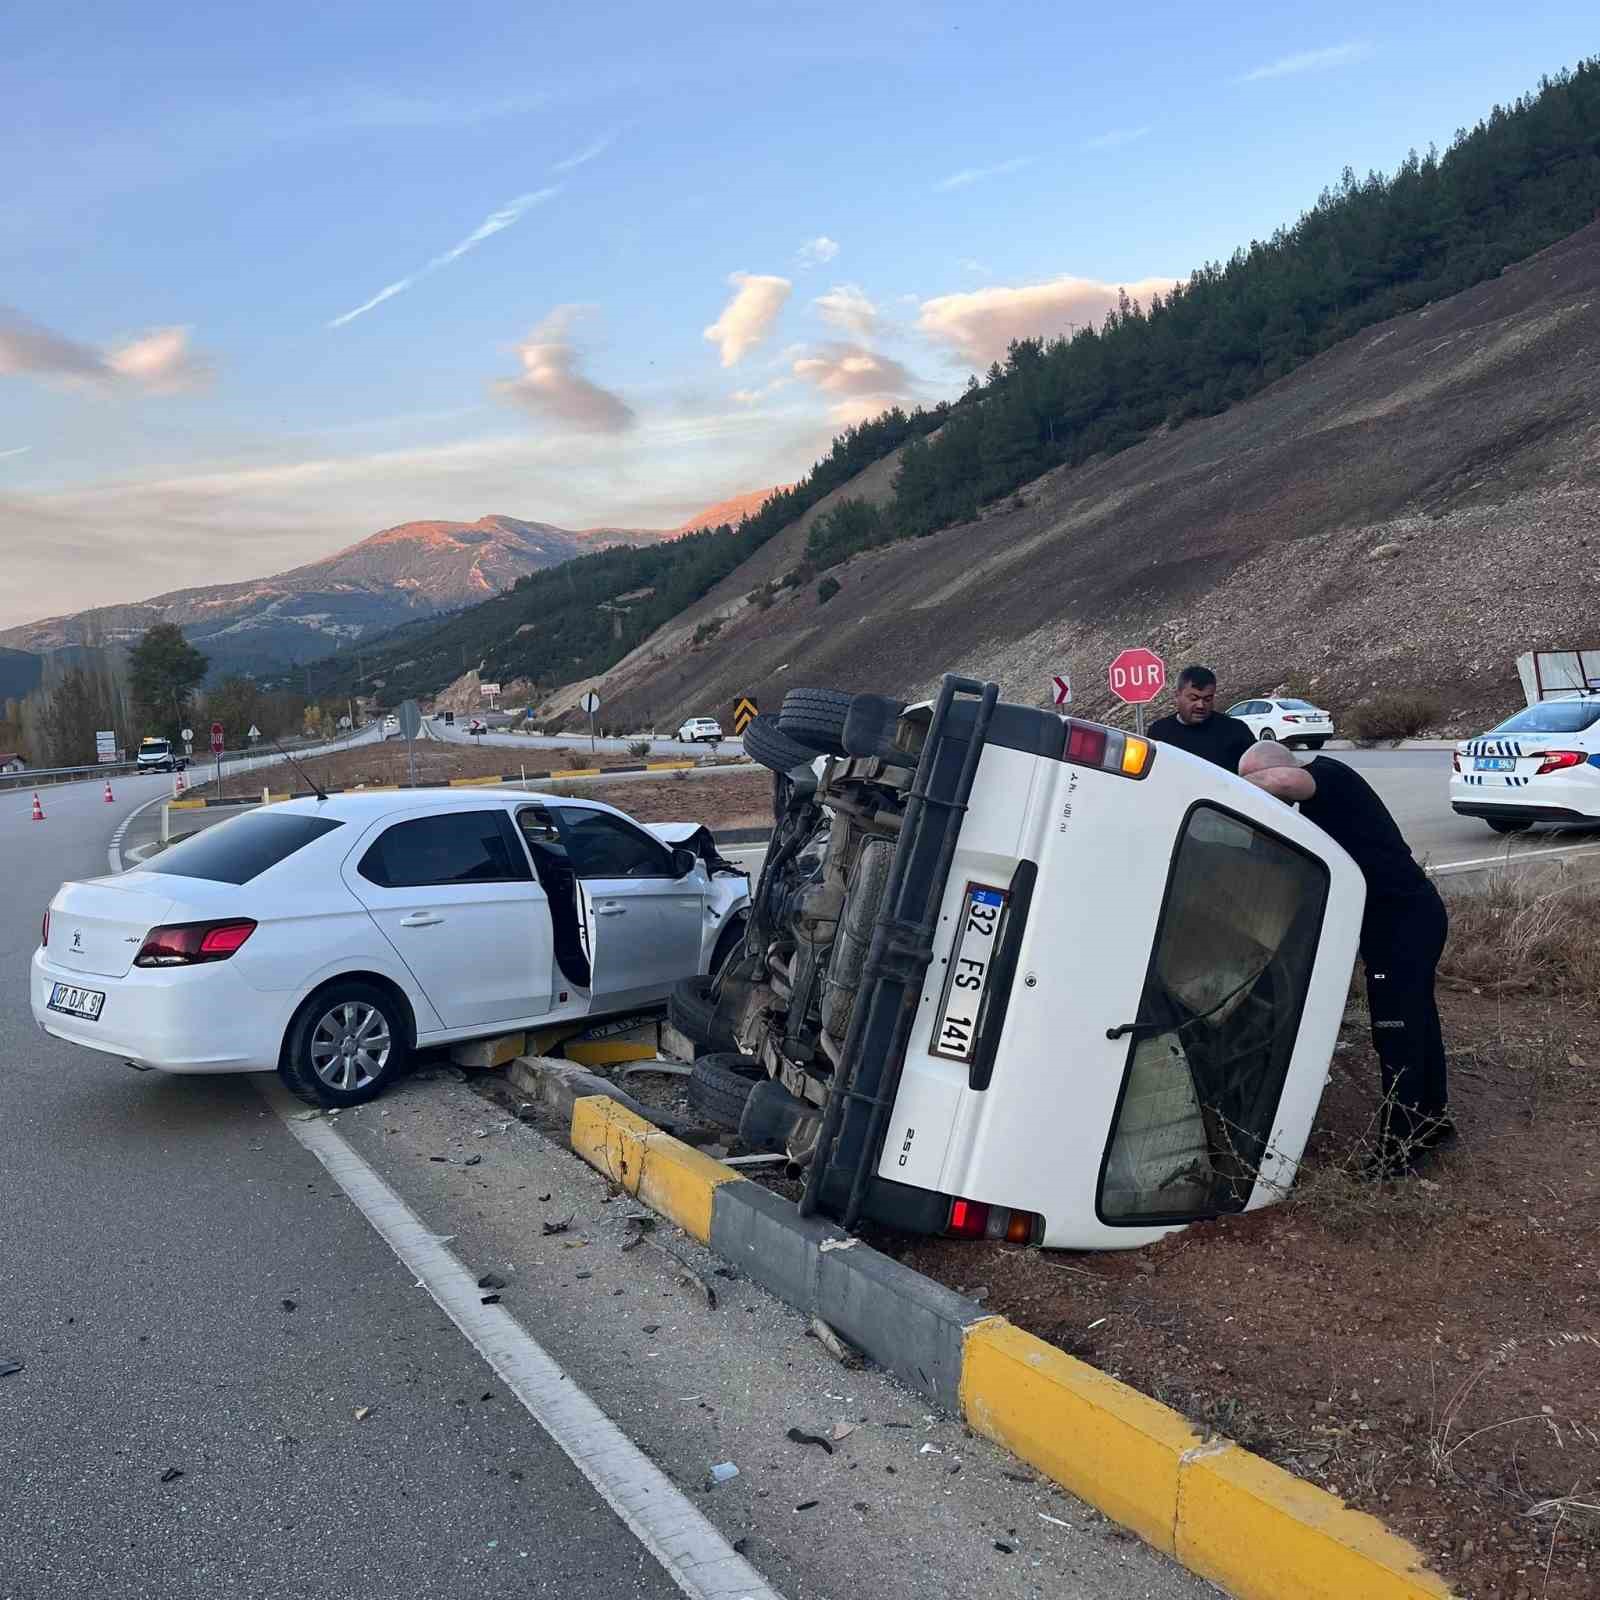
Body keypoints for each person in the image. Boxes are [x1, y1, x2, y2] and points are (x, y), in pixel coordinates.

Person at [1239, 741, 1452, 1174]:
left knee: (1398, 1036)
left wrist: (1235, 789)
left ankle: (1399, 1150)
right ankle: (1433, 1120)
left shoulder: (1326, 777)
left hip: (1402, 924)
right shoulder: (1322, 796)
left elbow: (1280, 779)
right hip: (1411, 917)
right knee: (1419, 1025)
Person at [1147, 665, 1255, 772]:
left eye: (1207, 699)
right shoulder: (1159, 732)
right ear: (1177, 695)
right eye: (1194, 698)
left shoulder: (1236, 730)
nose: (1201, 705)